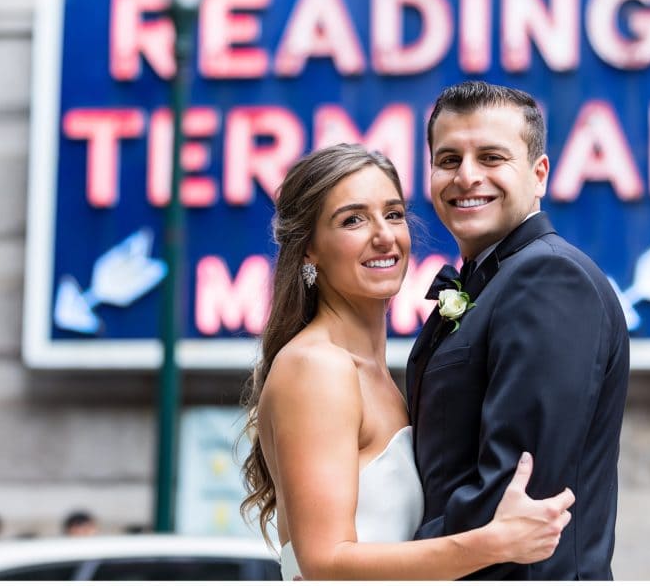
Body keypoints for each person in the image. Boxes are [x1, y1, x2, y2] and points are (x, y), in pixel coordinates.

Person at [240, 144, 575, 580]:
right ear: (309, 250)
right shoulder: (317, 367)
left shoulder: (379, 377)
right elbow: (325, 561)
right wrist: (491, 543)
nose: (384, 236)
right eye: (353, 220)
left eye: (393, 214)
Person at [406, 80, 630, 580]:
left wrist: (386, 559)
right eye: (448, 160)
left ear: (539, 173)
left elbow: (514, 490)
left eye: (491, 157)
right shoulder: (492, 281)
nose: (466, 177)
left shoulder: (549, 278)